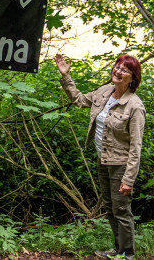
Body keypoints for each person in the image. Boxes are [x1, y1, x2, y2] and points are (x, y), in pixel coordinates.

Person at [55, 54, 145, 260]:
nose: (117, 71)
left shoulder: (135, 106)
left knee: (121, 209)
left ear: (132, 78)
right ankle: (118, 250)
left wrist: (128, 179)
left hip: (121, 165)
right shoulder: (104, 91)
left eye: (124, 70)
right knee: (110, 208)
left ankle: (127, 256)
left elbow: (136, 146)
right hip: (102, 160)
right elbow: (78, 99)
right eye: (117, 66)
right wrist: (66, 77)